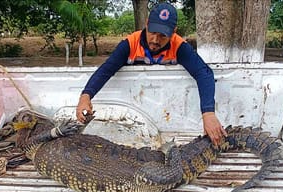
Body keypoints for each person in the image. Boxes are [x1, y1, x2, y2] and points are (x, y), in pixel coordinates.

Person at [76, 2, 227, 145]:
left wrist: (208, 113)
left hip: (169, 117)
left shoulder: (179, 46)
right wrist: (86, 96)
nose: (155, 40)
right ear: (147, 24)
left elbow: (203, 73)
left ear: (173, 32)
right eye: (152, 32)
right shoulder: (130, 43)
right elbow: (106, 70)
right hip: (135, 117)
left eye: (162, 36)